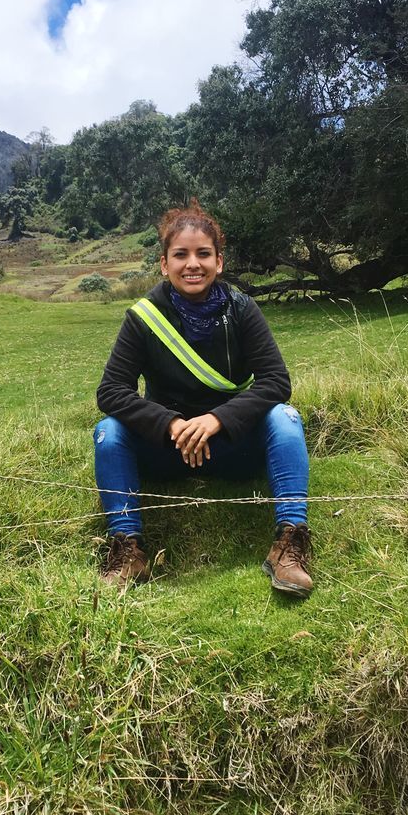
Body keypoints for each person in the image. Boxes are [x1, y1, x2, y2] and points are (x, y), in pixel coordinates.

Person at [93, 200, 312, 594]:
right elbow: (111, 392)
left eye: (203, 254)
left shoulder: (243, 310)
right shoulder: (143, 318)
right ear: (164, 264)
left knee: (286, 418)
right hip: (167, 450)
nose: (192, 264)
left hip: (231, 447)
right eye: (181, 254)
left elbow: (276, 381)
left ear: (219, 262)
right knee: (109, 431)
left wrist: (218, 420)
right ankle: (128, 550)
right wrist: (171, 423)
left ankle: (290, 542)